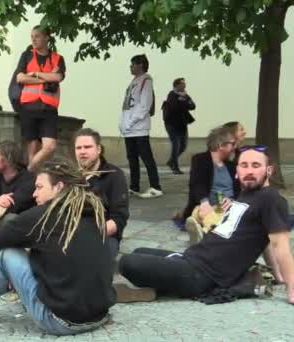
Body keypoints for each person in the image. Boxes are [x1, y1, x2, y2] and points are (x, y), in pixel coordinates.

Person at [0, 160, 115, 335]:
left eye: (40, 187)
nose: (34, 194)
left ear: (59, 187)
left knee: (6, 255)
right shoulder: (93, 213)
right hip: (99, 315)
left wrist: (23, 246)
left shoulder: (43, 215)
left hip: (60, 321)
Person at [118, 146, 294, 305]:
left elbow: (280, 244)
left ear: (269, 170)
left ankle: (160, 285)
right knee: (139, 251)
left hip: (203, 274)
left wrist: (291, 287)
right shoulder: (246, 194)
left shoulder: (271, 199)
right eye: (244, 165)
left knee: (127, 262)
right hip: (192, 257)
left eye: (256, 166)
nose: (249, 171)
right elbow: (267, 241)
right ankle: (160, 286)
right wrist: (277, 276)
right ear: (237, 171)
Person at [15, 25, 65, 171]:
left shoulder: (57, 58)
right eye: (32, 36)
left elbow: (58, 77)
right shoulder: (27, 55)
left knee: (50, 146)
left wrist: (35, 74)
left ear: (46, 38)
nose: (33, 39)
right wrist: (46, 78)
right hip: (29, 107)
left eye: (37, 36)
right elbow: (20, 78)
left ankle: (28, 171)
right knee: (32, 148)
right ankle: (32, 182)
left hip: (49, 108)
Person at [74, 128, 129, 259]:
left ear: (98, 149)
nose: (82, 152)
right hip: (71, 234)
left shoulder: (114, 175)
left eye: (87, 147)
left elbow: (119, 219)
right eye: (78, 148)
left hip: (103, 235)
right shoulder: (70, 176)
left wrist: (88, 235)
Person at [181, 127, 239, 243]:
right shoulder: (200, 160)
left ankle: (204, 231)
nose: (235, 147)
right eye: (232, 144)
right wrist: (204, 202)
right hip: (207, 205)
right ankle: (208, 229)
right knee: (199, 211)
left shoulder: (232, 165)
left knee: (217, 213)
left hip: (225, 207)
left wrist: (232, 200)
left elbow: (239, 189)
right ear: (221, 145)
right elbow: (196, 183)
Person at [119, 54, 163, 198]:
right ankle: (134, 186)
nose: (130, 67)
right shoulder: (134, 81)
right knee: (132, 158)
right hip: (129, 129)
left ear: (140, 65)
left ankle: (155, 187)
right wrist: (123, 123)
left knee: (146, 157)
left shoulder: (146, 81)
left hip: (139, 128)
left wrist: (131, 121)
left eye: (133, 64)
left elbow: (144, 105)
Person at [163, 77, 196, 174]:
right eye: (182, 83)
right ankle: (175, 167)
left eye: (185, 83)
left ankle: (171, 161)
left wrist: (184, 100)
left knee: (183, 146)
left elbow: (193, 106)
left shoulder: (185, 95)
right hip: (171, 124)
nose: (184, 85)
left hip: (182, 124)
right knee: (176, 145)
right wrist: (185, 102)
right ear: (177, 85)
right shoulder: (172, 94)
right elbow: (174, 106)